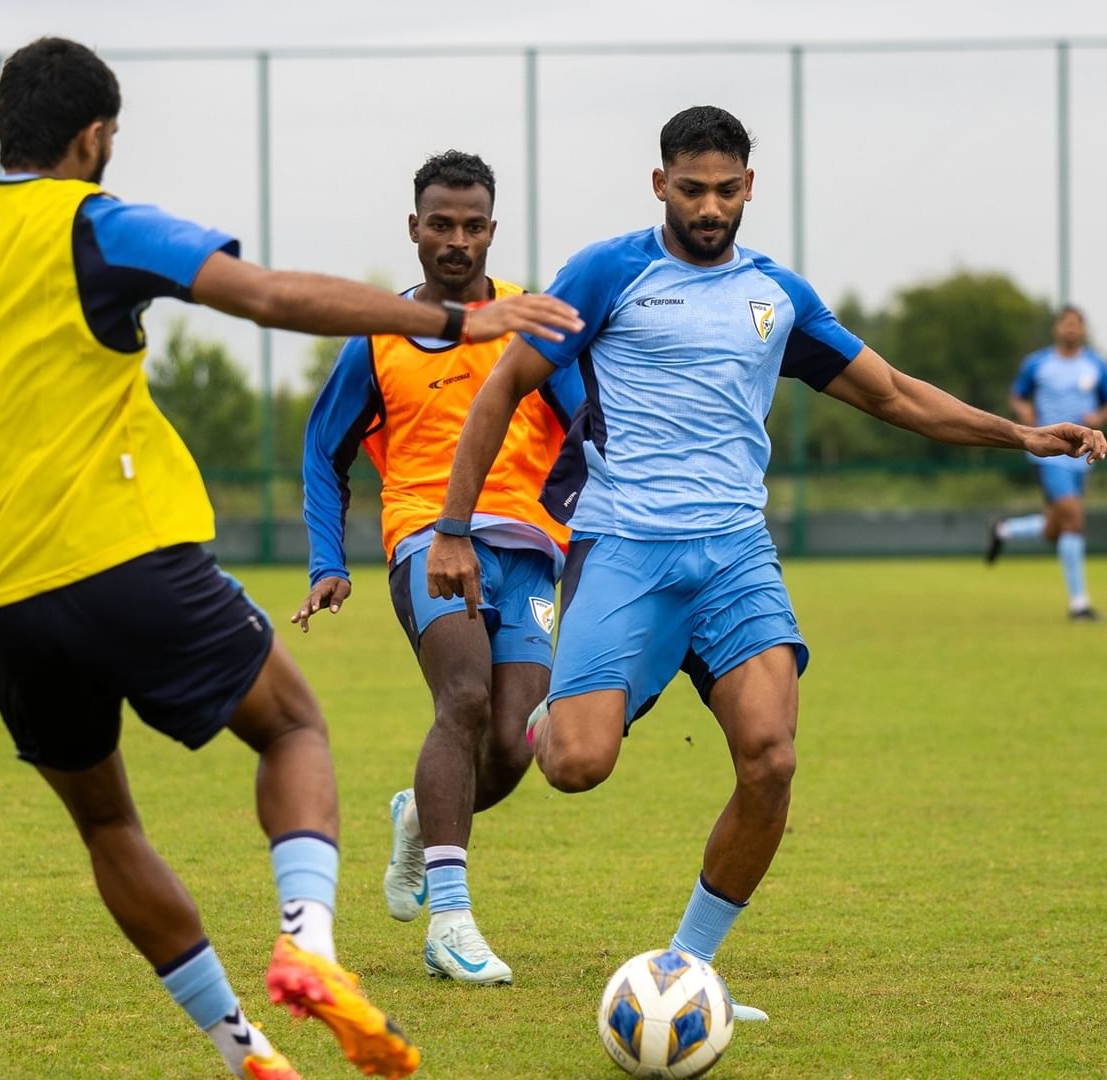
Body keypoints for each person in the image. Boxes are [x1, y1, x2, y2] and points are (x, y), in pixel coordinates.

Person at [0, 38, 580, 1080]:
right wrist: (455, 318)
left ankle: (240, 1049)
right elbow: (266, 296)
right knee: (293, 728)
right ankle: (309, 950)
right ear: (93, 137)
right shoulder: (97, 223)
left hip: (1, 596)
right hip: (134, 559)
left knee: (108, 827)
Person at [424, 105, 1106, 1022]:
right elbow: (503, 388)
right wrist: (454, 528)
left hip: (736, 554)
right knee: (576, 765)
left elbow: (893, 391)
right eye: (693, 189)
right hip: (625, 547)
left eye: (727, 190)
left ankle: (688, 965)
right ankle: (562, 713)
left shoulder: (778, 296)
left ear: (751, 187)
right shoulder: (605, 272)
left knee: (772, 760)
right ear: (660, 184)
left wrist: (1018, 433)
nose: (710, 207)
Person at [294, 151, 583, 986]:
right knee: (463, 698)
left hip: (528, 551)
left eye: (472, 225)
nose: (456, 241)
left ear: (493, 230)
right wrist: (327, 560)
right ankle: (450, 922)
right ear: (414, 229)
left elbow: (587, 430)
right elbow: (323, 452)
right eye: (440, 224)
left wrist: (570, 522)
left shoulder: (534, 323)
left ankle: (420, 816)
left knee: (513, 745)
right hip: (428, 539)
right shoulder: (379, 338)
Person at [985, 305, 1107, 619]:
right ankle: (1079, 604)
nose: (1070, 329)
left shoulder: (1095, 365)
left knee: (1057, 528)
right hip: (1049, 454)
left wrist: (1098, 416)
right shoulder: (1038, 363)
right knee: (1075, 520)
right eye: (1064, 323)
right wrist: (1024, 413)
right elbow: (1017, 395)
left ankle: (1005, 530)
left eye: (1075, 324)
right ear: (1057, 328)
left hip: (1082, 456)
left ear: (1082, 330)